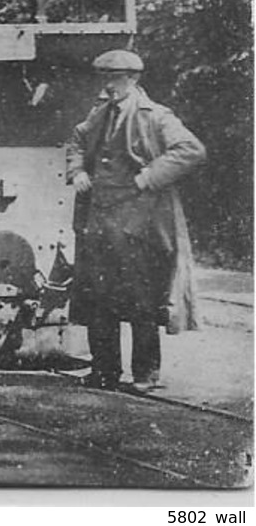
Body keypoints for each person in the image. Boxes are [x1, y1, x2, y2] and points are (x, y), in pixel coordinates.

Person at [66, 49, 206, 392]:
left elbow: (191, 150)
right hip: (100, 219)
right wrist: (77, 170)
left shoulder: (155, 116)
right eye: (103, 78)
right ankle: (104, 371)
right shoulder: (99, 114)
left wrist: (150, 177)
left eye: (113, 79)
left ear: (133, 79)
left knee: (141, 299)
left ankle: (145, 375)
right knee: (100, 298)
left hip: (139, 222)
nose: (107, 86)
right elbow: (76, 140)